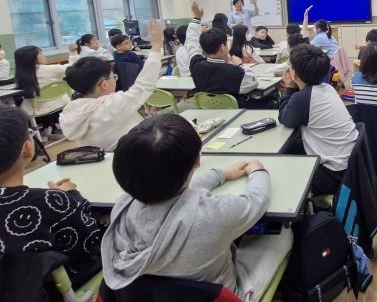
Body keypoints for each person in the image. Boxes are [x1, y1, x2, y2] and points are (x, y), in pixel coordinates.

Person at [101, 114, 292, 300]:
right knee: (283, 233)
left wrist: (220, 174)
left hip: (145, 294)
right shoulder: (213, 214)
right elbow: (257, 200)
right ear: (197, 161)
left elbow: (177, 188)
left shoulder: (122, 207)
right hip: (222, 295)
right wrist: (258, 171)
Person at [0, 105, 101, 276]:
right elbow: (90, 243)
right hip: (52, 285)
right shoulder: (48, 202)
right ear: (27, 148)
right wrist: (72, 196)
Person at [59, 20, 163, 150]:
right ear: (103, 85)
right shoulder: (112, 106)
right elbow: (144, 85)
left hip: (100, 160)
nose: (115, 79)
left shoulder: (70, 110)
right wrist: (156, 46)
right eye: (113, 77)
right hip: (128, 156)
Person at [278, 44, 358, 195]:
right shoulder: (328, 88)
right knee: (293, 145)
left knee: (279, 169)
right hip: (350, 166)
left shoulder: (303, 98)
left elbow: (284, 118)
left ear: (294, 73)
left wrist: (289, 88)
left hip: (332, 174)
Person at [185, 2, 261, 107]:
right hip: (235, 113)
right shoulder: (235, 72)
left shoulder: (196, 65)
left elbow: (191, 43)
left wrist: (197, 18)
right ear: (222, 47)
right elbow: (253, 82)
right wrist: (241, 65)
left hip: (207, 111)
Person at [14, 43, 79, 137]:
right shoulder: (50, 69)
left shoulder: (21, 75)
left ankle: (44, 129)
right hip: (58, 104)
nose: (43, 55)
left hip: (35, 110)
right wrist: (72, 52)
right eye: (40, 53)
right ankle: (49, 127)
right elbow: (74, 68)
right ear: (33, 58)